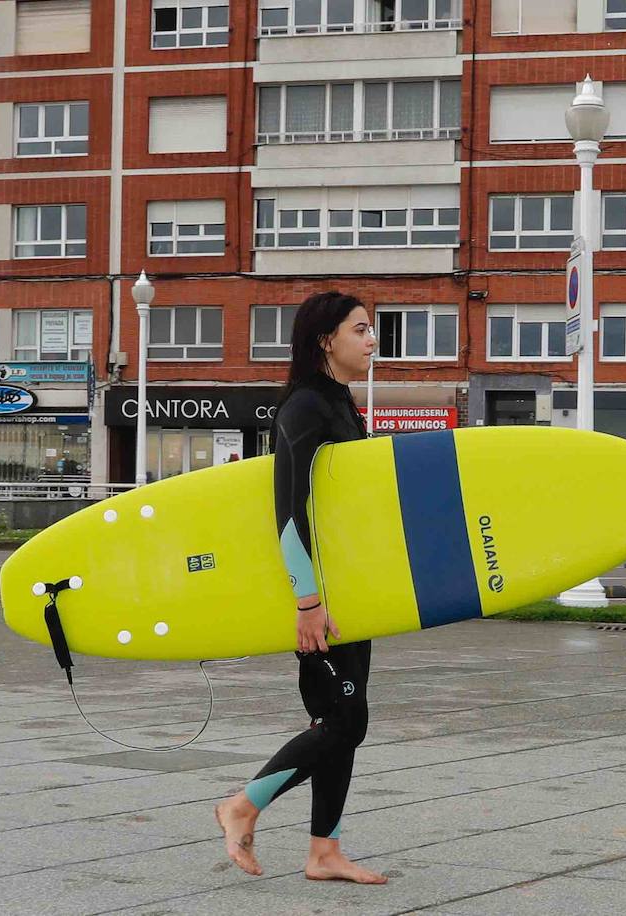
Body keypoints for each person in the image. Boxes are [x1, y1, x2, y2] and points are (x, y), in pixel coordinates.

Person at [214, 291, 386, 884]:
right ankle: (242, 805)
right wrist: (307, 601)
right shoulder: (305, 408)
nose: (372, 339)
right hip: (318, 597)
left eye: (371, 329)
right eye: (361, 329)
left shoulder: (341, 405)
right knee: (343, 721)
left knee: (344, 722)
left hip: (348, 595)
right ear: (325, 340)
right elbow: (289, 513)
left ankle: (324, 853)